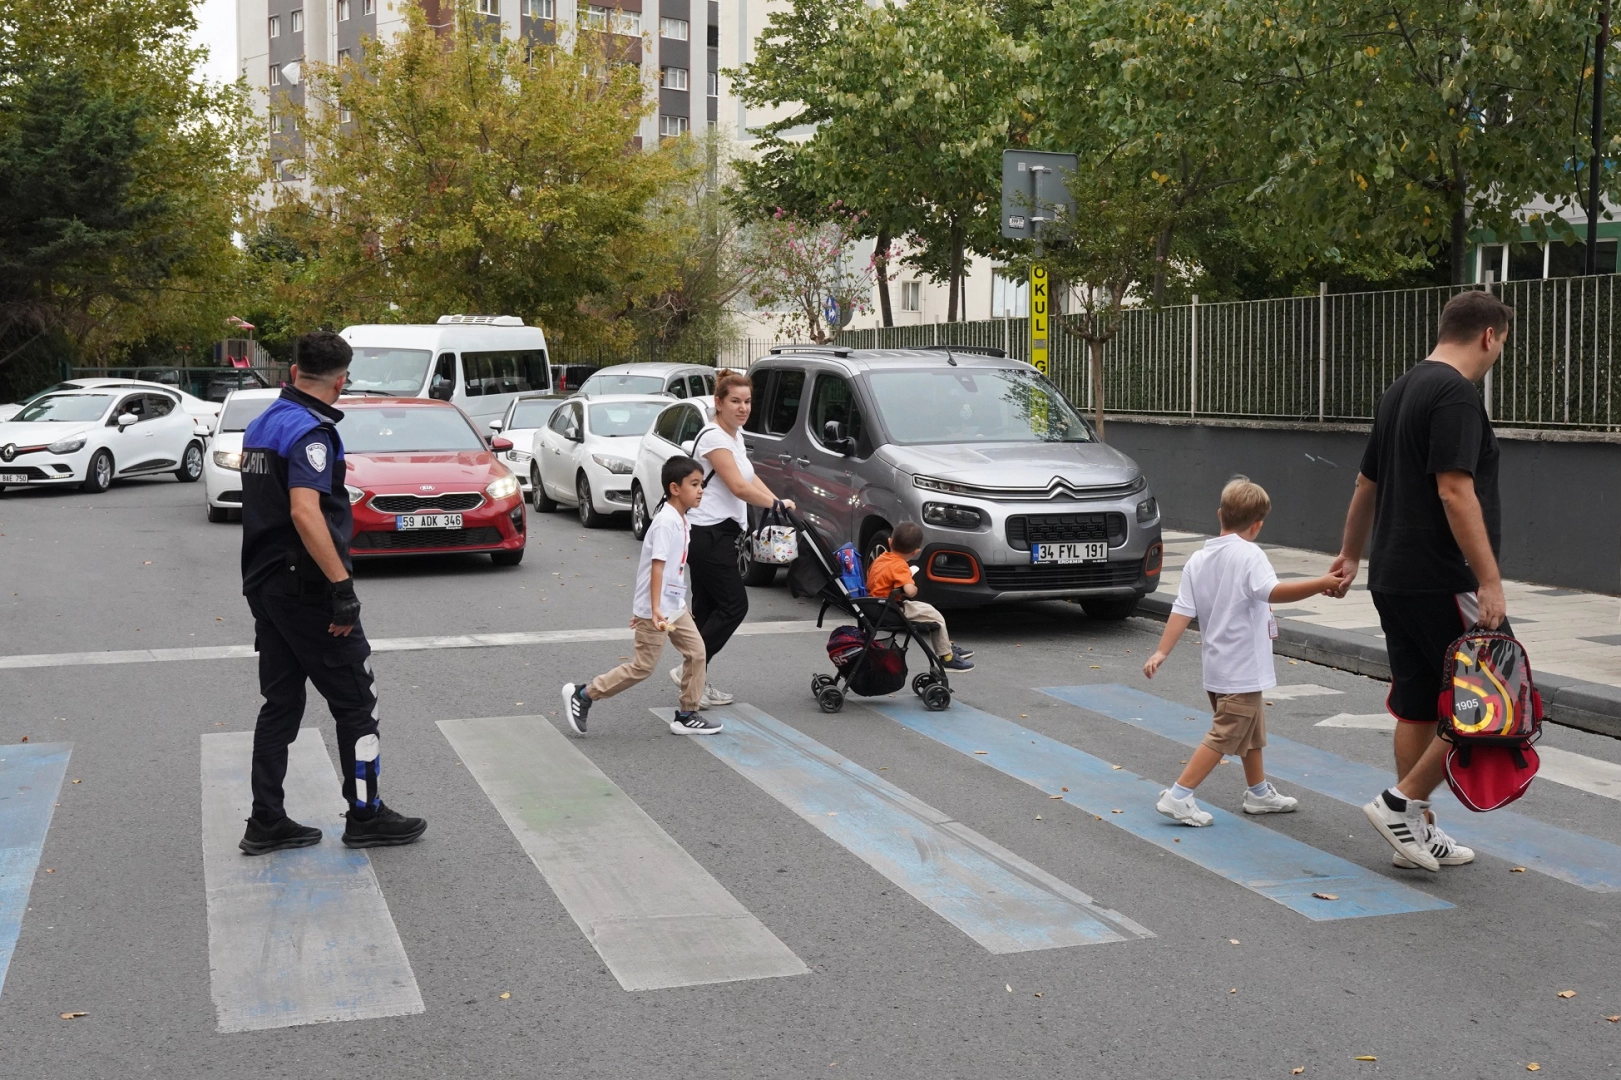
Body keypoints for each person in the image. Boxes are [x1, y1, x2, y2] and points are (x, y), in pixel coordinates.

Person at [1329, 289, 1514, 872]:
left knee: (1417, 705)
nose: (1498, 353)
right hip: (1443, 577)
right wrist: (1489, 579)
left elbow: (1366, 484)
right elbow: (1455, 489)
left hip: (1392, 574)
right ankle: (1400, 804)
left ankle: (1413, 829)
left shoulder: (1400, 388)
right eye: (1502, 344)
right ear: (1489, 335)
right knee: (1498, 698)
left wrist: (1350, 556)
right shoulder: (1456, 395)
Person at [237, 332, 426, 855]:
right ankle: (366, 814)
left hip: (267, 585)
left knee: (280, 703)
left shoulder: (263, 423)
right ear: (342, 381)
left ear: (293, 370)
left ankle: (266, 820)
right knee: (357, 705)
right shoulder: (310, 432)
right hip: (308, 590)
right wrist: (342, 590)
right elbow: (304, 510)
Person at [1142, 478, 1346, 825]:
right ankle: (1180, 795)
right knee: (1225, 735)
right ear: (1258, 525)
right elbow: (1273, 592)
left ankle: (1258, 792)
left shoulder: (1198, 559)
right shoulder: (1250, 554)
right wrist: (1321, 584)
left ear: (1220, 514)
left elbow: (1182, 609)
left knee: (1250, 731)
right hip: (1243, 669)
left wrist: (1162, 651)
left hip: (1217, 670)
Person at [564, 457, 721, 735]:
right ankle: (585, 694)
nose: (700, 490)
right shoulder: (665, 522)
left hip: (673, 606)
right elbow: (656, 566)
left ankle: (687, 713)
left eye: (701, 485)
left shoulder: (681, 520)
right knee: (643, 667)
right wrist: (653, 609)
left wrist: (679, 603)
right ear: (675, 488)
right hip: (657, 609)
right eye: (694, 484)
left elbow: (675, 568)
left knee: (697, 653)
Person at [675, 369, 796, 708]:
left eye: (747, 401)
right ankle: (688, 670)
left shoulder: (734, 436)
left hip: (721, 532)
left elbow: (750, 475)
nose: (743, 408)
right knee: (734, 605)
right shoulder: (714, 437)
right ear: (719, 402)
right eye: (735, 401)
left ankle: (695, 684)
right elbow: (737, 486)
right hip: (706, 533)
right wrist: (773, 503)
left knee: (707, 609)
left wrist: (777, 502)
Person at [866, 522, 973, 671]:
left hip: (874, 604)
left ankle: (945, 645)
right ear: (915, 552)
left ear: (890, 542)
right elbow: (910, 592)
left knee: (927, 609)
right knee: (935, 616)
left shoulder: (881, 558)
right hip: (888, 609)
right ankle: (946, 656)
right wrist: (912, 584)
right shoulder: (900, 566)